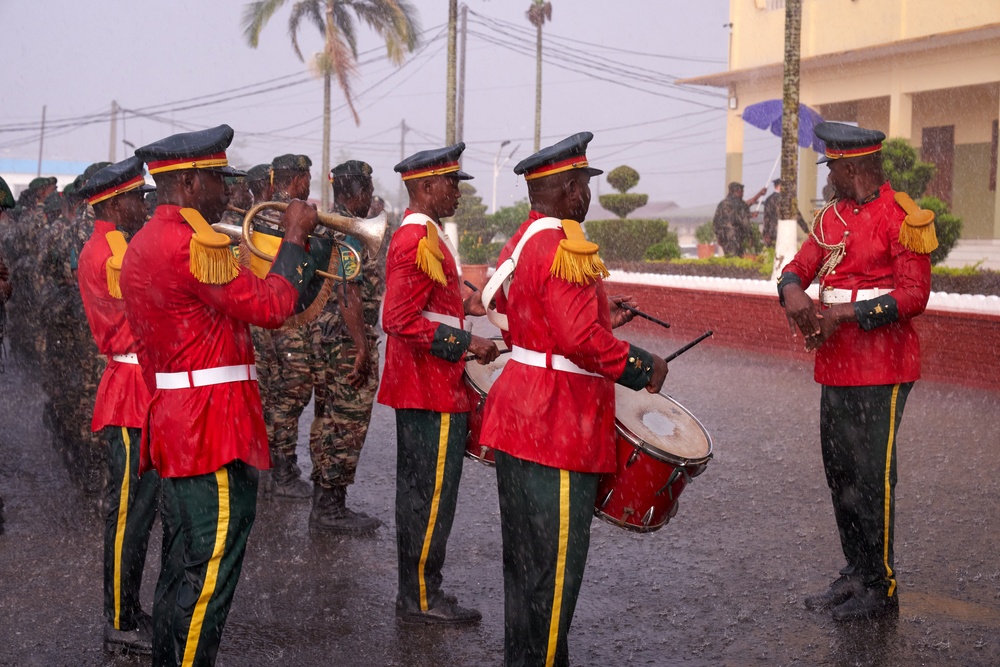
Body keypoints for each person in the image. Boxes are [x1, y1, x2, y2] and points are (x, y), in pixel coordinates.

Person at [121, 124, 324, 666]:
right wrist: (297, 239)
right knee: (207, 576)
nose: (227, 191)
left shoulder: (145, 239)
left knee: (182, 569)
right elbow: (271, 308)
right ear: (188, 182)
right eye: (217, 178)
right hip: (210, 429)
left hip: (178, 422)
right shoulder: (193, 243)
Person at [478, 132, 667, 666]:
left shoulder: (522, 242)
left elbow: (535, 318)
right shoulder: (564, 243)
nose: (587, 195)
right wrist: (640, 364)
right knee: (556, 568)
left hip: (520, 413)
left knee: (524, 562)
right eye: (583, 184)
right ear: (566, 189)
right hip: (556, 423)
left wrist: (605, 318)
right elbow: (581, 341)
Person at [778, 122, 934, 622]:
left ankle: (881, 585)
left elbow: (915, 296)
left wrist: (845, 314)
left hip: (882, 365)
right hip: (836, 365)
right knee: (840, 473)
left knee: (871, 477)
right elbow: (796, 268)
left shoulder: (902, 216)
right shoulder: (832, 217)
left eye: (834, 169)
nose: (830, 178)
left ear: (853, 167)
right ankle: (856, 571)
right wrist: (792, 293)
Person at [378, 143, 499, 625]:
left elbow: (424, 304)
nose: (459, 193)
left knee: (420, 495)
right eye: (452, 184)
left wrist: (460, 307)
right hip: (430, 389)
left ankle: (417, 591)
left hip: (426, 386)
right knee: (429, 498)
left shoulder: (425, 234)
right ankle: (422, 597)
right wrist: (467, 344)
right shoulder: (415, 239)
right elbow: (398, 318)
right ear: (426, 187)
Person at [77, 157, 160, 655]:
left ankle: (127, 608)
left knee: (139, 510)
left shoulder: (117, 244)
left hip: (137, 383)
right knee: (129, 512)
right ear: (112, 201)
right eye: (136, 197)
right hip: (131, 386)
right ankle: (119, 619)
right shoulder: (111, 249)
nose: (143, 204)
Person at [307, 160, 382, 534]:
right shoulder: (346, 229)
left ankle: (324, 502)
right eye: (368, 191)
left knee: (328, 419)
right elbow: (347, 290)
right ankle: (330, 509)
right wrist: (363, 348)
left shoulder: (327, 224)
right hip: (345, 341)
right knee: (347, 424)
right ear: (361, 193)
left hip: (325, 339)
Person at [254, 153, 316, 498]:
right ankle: (281, 469)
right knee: (289, 394)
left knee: (275, 393)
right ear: (299, 179)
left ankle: (273, 465)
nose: (309, 185)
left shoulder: (264, 209)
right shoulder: (288, 214)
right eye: (308, 178)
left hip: (267, 312)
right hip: (283, 314)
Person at [712, 181, 766, 256]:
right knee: (735, 259)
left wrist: (719, 236)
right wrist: (750, 236)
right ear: (737, 192)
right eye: (742, 192)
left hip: (723, 237)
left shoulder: (723, 204)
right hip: (735, 237)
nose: (743, 194)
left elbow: (716, 222)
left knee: (728, 257)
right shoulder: (739, 203)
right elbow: (743, 220)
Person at [762, 178, 810, 247]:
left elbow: (766, 217)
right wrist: (806, 230)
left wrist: (765, 233)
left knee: (773, 252)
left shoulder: (768, 199)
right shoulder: (787, 199)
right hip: (785, 230)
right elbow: (797, 215)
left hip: (772, 231)